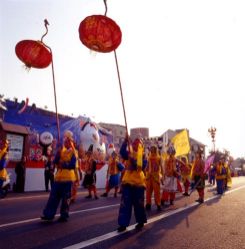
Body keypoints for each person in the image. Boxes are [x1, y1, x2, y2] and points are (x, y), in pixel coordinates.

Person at [41, 130, 77, 222]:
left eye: (68, 141)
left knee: (66, 199)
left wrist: (64, 164)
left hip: (68, 178)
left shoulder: (74, 153)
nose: (66, 143)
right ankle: (49, 215)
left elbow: (73, 165)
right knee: (53, 197)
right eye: (65, 141)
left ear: (71, 142)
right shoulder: (61, 150)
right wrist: (58, 154)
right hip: (58, 178)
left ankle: (64, 215)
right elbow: (55, 161)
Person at [117, 135, 147, 232]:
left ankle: (140, 221)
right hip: (128, 182)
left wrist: (133, 159)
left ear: (141, 145)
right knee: (125, 203)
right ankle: (123, 224)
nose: (136, 144)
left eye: (138, 143)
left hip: (138, 183)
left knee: (139, 204)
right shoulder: (129, 153)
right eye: (134, 142)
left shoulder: (143, 156)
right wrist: (125, 142)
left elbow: (140, 167)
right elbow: (122, 153)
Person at [145, 145, 163, 211]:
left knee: (157, 191)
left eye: (153, 149)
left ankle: (158, 204)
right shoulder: (149, 157)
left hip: (156, 176)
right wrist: (145, 172)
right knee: (148, 191)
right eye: (151, 149)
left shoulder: (159, 158)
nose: (152, 150)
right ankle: (148, 204)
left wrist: (162, 177)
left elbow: (161, 167)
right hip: (149, 176)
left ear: (155, 150)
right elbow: (147, 166)